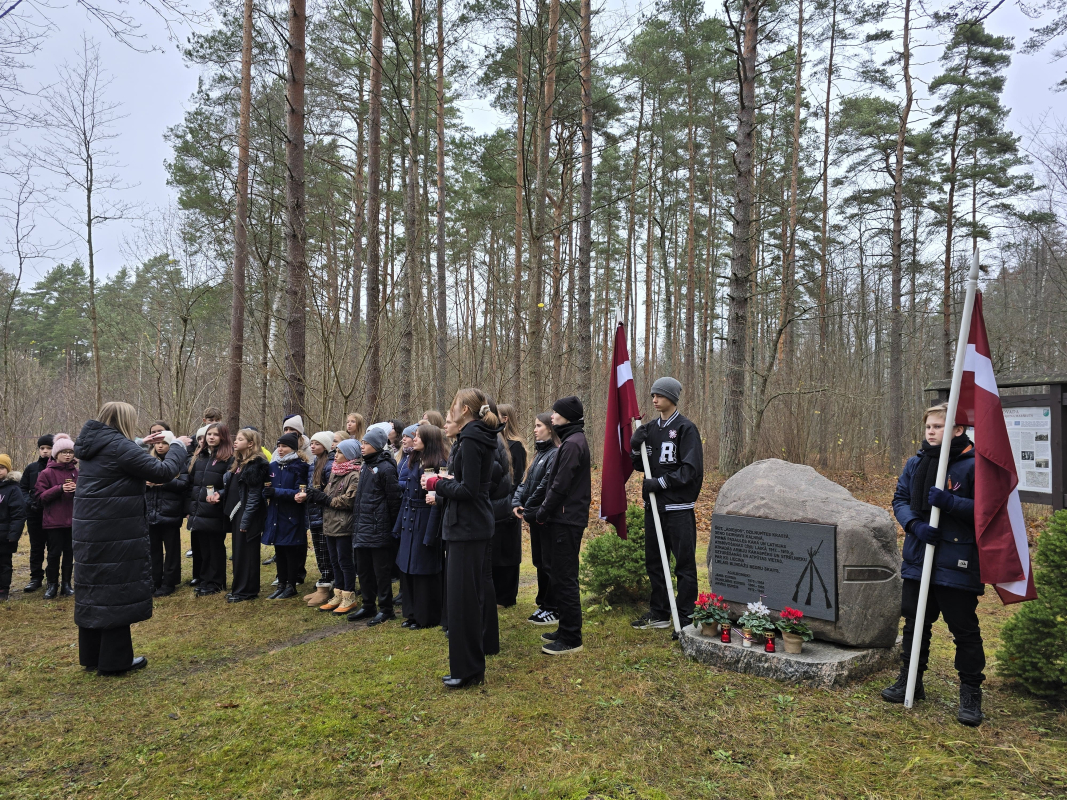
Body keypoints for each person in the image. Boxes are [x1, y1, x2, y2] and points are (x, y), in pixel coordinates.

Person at [884, 402, 985, 727]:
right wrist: (914, 526)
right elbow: (900, 499)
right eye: (928, 426)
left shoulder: (973, 466)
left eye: (938, 426)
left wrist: (951, 502)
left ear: (957, 429)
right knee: (914, 624)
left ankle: (970, 694)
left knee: (964, 632)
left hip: (957, 561)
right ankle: (910, 680)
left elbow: (988, 510)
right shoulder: (916, 463)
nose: (931, 431)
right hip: (919, 556)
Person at [73, 401, 189, 675]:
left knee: (94, 590)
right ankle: (115, 661)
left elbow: (114, 465)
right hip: (114, 530)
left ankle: (92, 656)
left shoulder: (95, 444)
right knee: (115, 589)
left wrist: (137, 443)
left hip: (91, 529)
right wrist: (178, 446)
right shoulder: (119, 447)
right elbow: (162, 472)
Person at [423, 388, 501, 688]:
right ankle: (470, 665)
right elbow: (473, 483)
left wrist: (436, 484)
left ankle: (467, 670)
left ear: (466, 410)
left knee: (462, 600)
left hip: (467, 527)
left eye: (454, 404)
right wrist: (447, 481)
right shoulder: (478, 436)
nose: (450, 409)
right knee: (469, 597)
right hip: (471, 526)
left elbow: (470, 490)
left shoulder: (470, 439)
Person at [628, 377, 703, 631]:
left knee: (684, 564)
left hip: (678, 510)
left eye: (659, 395)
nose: (654, 399)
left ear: (671, 397)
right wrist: (635, 447)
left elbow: (690, 470)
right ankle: (659, 612)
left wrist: (660, 483)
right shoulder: (649, 429)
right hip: (654, 508)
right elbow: (640, 466)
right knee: (655, 562)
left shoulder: (685, 429)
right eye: (652, 395)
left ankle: (686, 617)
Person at [535, 396, 591, 656]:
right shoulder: (570, 440)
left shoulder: (572, 444)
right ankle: (565, 627)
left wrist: (542, 512)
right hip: (562, 518)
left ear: (567, 416)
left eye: (556, 413)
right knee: (558, 574)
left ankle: (571, 637)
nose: (552, 417)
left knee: (566, 577)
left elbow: (560, 485)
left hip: (566, 520)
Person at [394, 422, 448, 629]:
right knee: (407, 569)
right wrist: (398, 526)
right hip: (409, 519)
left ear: (429, 440)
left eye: (418, 436)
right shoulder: (413, 460)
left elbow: (436, 500)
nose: (413, 439)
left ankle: (427, 616)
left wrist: (430, 533)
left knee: (424, 571)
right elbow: (407, 497)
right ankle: (411, 613)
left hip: (425, 521)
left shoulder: (439, 463)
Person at [347, 426, 402, 625]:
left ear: (377, 446)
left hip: (379, 530)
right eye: (362, 442)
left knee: (381, 572)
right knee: (363, 570)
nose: (363, 446)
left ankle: (386, 608)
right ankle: (368, 605)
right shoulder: (365, 465)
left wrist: (392, 530)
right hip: (362, 528)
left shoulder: (386, 468)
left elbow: (394, 501)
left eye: (367, 443)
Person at [513, 412, 560, 625]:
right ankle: (543, 603)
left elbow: (545, 486)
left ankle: (553, 607)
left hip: (547, 517)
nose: (534, 429)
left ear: (550, 428)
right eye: (534, 425)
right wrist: (516, 503)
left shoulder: (555, 454)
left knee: (550, 563)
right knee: (539, 561)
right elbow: (524, 482)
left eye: (538, 425)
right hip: (534, 516)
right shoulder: (538, 454)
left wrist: (529, 507)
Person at [307, 437, 360, 615]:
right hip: (330, 523)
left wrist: (326, 499)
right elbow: (328, 494)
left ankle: (349, 595)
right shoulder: (335, 472)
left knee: (345, 561)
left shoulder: (354, 475)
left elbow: (349, 500)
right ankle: (338, 592)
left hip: (344, 525)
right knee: (334, 560)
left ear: (350, 455)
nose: (335, 455)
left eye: (339, 452)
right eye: (335, 451)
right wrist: (316, 495)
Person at [220, 428, 270, 603]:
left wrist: (246, 519)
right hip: (236, 513)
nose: (235, 441)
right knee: (239, 553)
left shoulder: (256, 465)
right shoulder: (237, 463)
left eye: (240, 439)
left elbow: (254, 497)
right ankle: (238, 588)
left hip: (248, 515)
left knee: (247, 554)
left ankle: (247, 591)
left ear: (250, 443)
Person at [187, 423, 235, 597]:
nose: (211, 437)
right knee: (203, 548)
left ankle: (216, 582)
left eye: (215, 434)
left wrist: (219, 495)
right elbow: (193, 484)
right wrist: (190, 507)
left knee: (215, 548)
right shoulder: (200, 457)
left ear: (223, 437)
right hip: (199, 509)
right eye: (209, 434)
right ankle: (205, 580)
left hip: (216, 510)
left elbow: (230, 485)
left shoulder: (229, 458)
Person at [264, 432, 310, 599]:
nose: (280, 449)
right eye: (279, 446)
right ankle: (281, 583)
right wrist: (266, 493)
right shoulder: (273, 466)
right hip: (275, 514)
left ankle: (291, 585)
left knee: (291, 551)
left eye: (284, 446)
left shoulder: (300, 466)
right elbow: (267, 488)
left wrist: (276, 492)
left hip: (291, 515)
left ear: (293, 448)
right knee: (279, 550)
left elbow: (300, 492)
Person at [144, 424, 188, 597]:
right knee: (152, 550)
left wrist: (163, 482)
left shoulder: (178, 462)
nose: (160, 446)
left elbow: (184, 484)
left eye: (164, 443)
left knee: (171, 551)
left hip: (170, 512)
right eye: (157, 443)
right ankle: (154, 581)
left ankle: (170, 582)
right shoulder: (146, 460)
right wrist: (145, 484)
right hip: (149, 512)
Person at [35, 434, 78, 600]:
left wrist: (78, 490)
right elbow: (39, 497)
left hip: (73, 521)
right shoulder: (46, 473)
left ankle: (67, 584)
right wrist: (59, 489)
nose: (68, 455)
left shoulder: (77, 473)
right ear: (56, 454)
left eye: (70, 452)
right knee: (53, 554)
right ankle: (52, 584)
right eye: (64, 452)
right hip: (54, 521)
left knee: (69, 553)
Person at [494, 404, 527, 607]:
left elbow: (519, 478)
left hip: (510, 504)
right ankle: (496, 593)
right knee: (496, 551)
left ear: (505, 419)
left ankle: (507, 596)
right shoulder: (495, 443)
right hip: (496, 503)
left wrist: (513, 504)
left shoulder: (516, 446)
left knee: (508, 551)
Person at [303, 431, 336, 607]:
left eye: (317, 443)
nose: (312, 446)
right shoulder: (313, 463)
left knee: (326, 551)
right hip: (314, 513)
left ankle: (329, 585)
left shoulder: (330, 465)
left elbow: (330, 491)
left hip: (325, 514)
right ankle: (323, 584)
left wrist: (314, 495)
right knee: (319, 551)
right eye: (312, 443)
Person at [19, 435, 53, 593]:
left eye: (48, 448)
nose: (45, 451)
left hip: (54, 513)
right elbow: (23, 488)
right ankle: (36, 578)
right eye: (42, 448)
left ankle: (53, 578)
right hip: (34, 513)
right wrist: (28, 502)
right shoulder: (31, 468)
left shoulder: (59, 467)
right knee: (36, 546)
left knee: (54, 547)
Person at [0, 454, 27, 602]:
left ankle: (3, 589)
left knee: (4, 563)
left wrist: (13, 534)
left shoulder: (13, 489)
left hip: (4, 535)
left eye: (1, 468)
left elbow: (18, 514)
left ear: (8, 470)